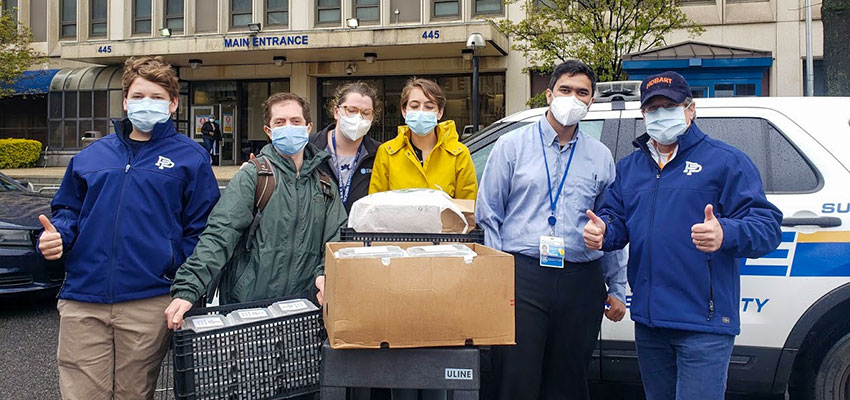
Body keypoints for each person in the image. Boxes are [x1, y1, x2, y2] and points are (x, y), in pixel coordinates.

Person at [583, 71, 783, 400]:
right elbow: (616, 218)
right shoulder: (631, 167)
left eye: (670, 105)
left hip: (702, 323)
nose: (661, 114)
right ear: (643, 114)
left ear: (690, 109)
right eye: (653, 108)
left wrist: (726, 233)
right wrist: (603, 231)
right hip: (651, 323)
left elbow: (767, 226)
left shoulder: (726, 162)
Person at [37, 56, 220, 400]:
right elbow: (68, 210)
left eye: (156, 97)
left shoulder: (191, 157)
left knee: (134, 393)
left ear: (173, 103)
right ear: (125, 101)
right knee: (82, 394)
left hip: (148, 299)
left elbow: (201, 229)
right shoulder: (92, 156)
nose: (145, 104)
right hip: (84, 298)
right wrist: (58, 235)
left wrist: (180, 282)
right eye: (138, 96)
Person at [475, 60, 627, 400]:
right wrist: (498, 277)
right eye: (566, 90)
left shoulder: (600, 157)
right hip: (522, 277)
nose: (573, 97)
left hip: (581, 279)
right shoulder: (512, 146)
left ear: (591, 102)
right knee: (515, 378)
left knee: (569, 380)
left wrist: (617, 286)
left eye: (582, 92)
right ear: (549, 94)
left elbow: (611, 227)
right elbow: (489, 215)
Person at [165, 92, 348, 327]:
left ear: (308, 127)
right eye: (279, 122)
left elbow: (335, 244)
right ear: (269, 131)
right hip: (248, 309)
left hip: (303, 309)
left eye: (296, 121)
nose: (288, 127)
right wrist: (188, 289)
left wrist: (325, 277)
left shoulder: (324, 185)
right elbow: (220, 234)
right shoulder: (254, 176)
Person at [369, 78, 477, 200]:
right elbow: (376, 205)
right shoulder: (387, 153)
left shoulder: (459, 154)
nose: (421, 111)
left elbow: (467, 207)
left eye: (429, 106)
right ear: (404, 111)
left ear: (440, 112)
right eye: (414, 106)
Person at [310, 82, 382, 213]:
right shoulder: (310, 148)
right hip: (317, 231)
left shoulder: (378, 153)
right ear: (336, 112)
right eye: (351, 110)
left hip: (360, 231)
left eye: (366, 112)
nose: (358, 117)